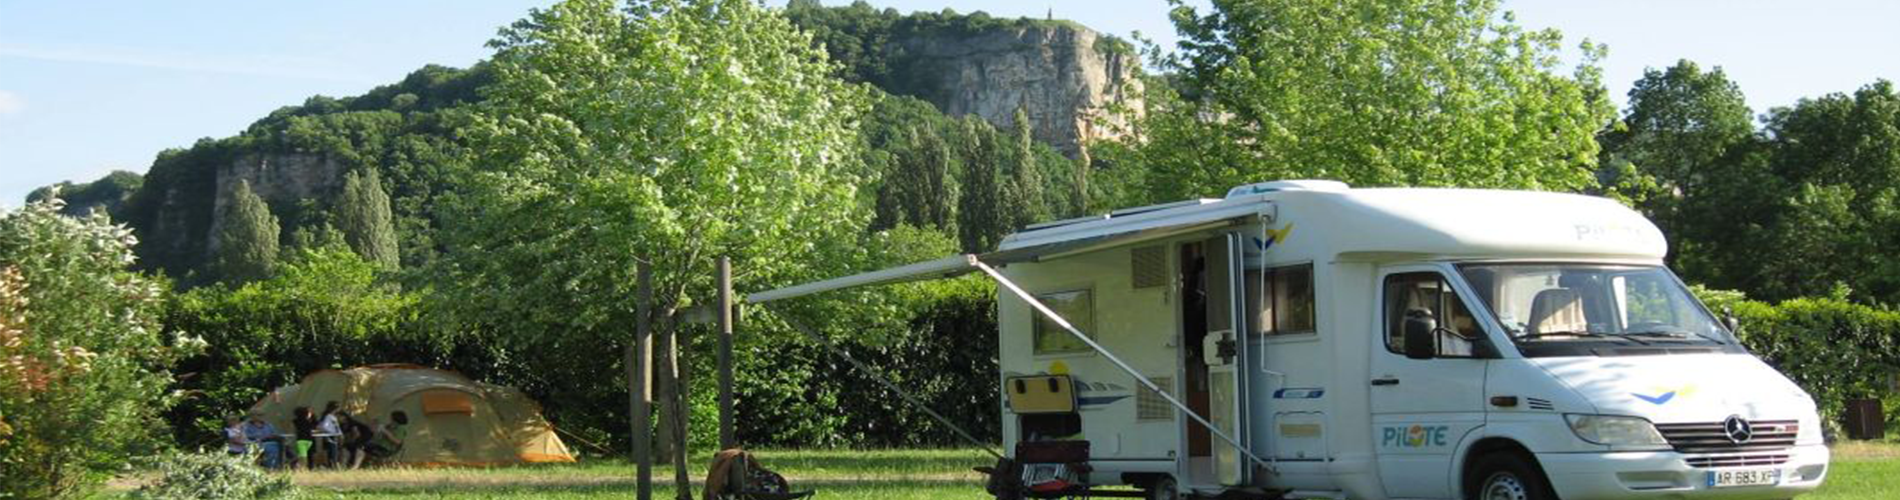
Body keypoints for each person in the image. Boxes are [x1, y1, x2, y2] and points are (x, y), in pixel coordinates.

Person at [316, 402, 343, 468]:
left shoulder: (330, 416)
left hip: (329, 435)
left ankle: (330, 465)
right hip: (331, 436)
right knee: (332, 451)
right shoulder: (329, 416)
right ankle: (332, 465)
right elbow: (324, 426)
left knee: (329, 451)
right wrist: (333, 432)